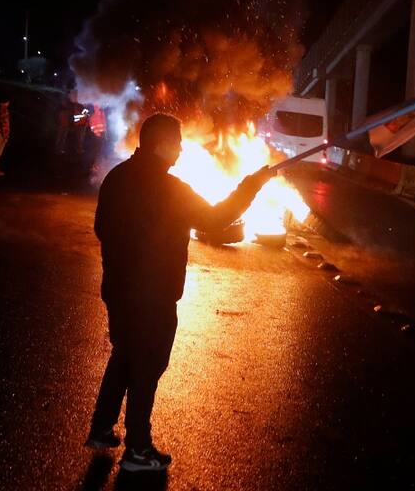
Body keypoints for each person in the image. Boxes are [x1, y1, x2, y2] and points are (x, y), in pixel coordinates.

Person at [86, 113, 274, 471]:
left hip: (118, 290)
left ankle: (101, 427)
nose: (182, 148)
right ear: (161, 144)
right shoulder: (172, 190)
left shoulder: (117, 177)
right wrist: (254, 183)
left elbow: (100, 228)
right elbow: (217, 219)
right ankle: (138, 450)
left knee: (125, 354)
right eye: (178, 141)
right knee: (148, 366)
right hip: (153, 296)